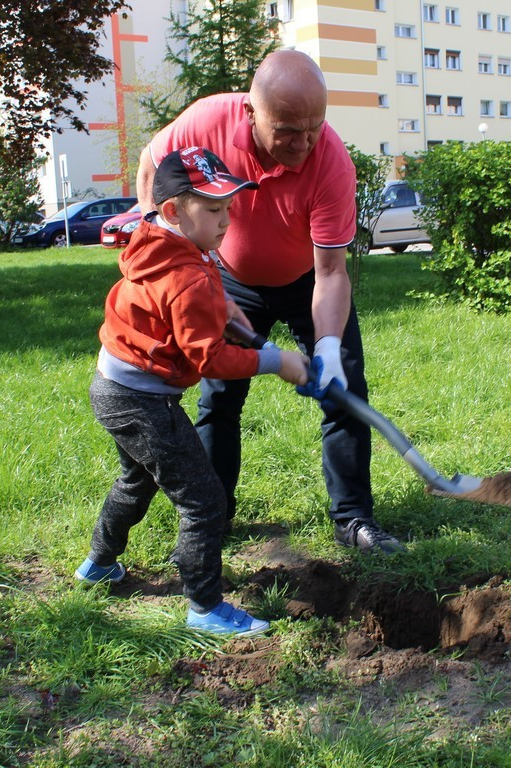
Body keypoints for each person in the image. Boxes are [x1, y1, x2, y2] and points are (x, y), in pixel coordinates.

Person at [136, 50, 405, 554]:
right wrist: (167, 249)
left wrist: (327, 348)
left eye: (314, 128)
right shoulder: (207, 122)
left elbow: (331, 271)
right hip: (229, 279)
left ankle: (352, 518)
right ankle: (212, 517)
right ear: (251, 113)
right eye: (287, 131)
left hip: (307, 281)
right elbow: (152, 162)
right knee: (219, 398)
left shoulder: (331, 162)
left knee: (345, 389)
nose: (303, 144)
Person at [77, 146, 310, 636]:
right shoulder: (186, 276)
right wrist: (277, 361)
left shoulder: (159, 241)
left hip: (113, 386)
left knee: (136, 482)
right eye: (212, 209)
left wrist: (225, 306)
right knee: (204, 499)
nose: (225, 221)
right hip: (141, 399)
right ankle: (205, 607)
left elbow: (191, 291)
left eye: (228, 207)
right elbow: (211, 361)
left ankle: (98, 564)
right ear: (172, 210)